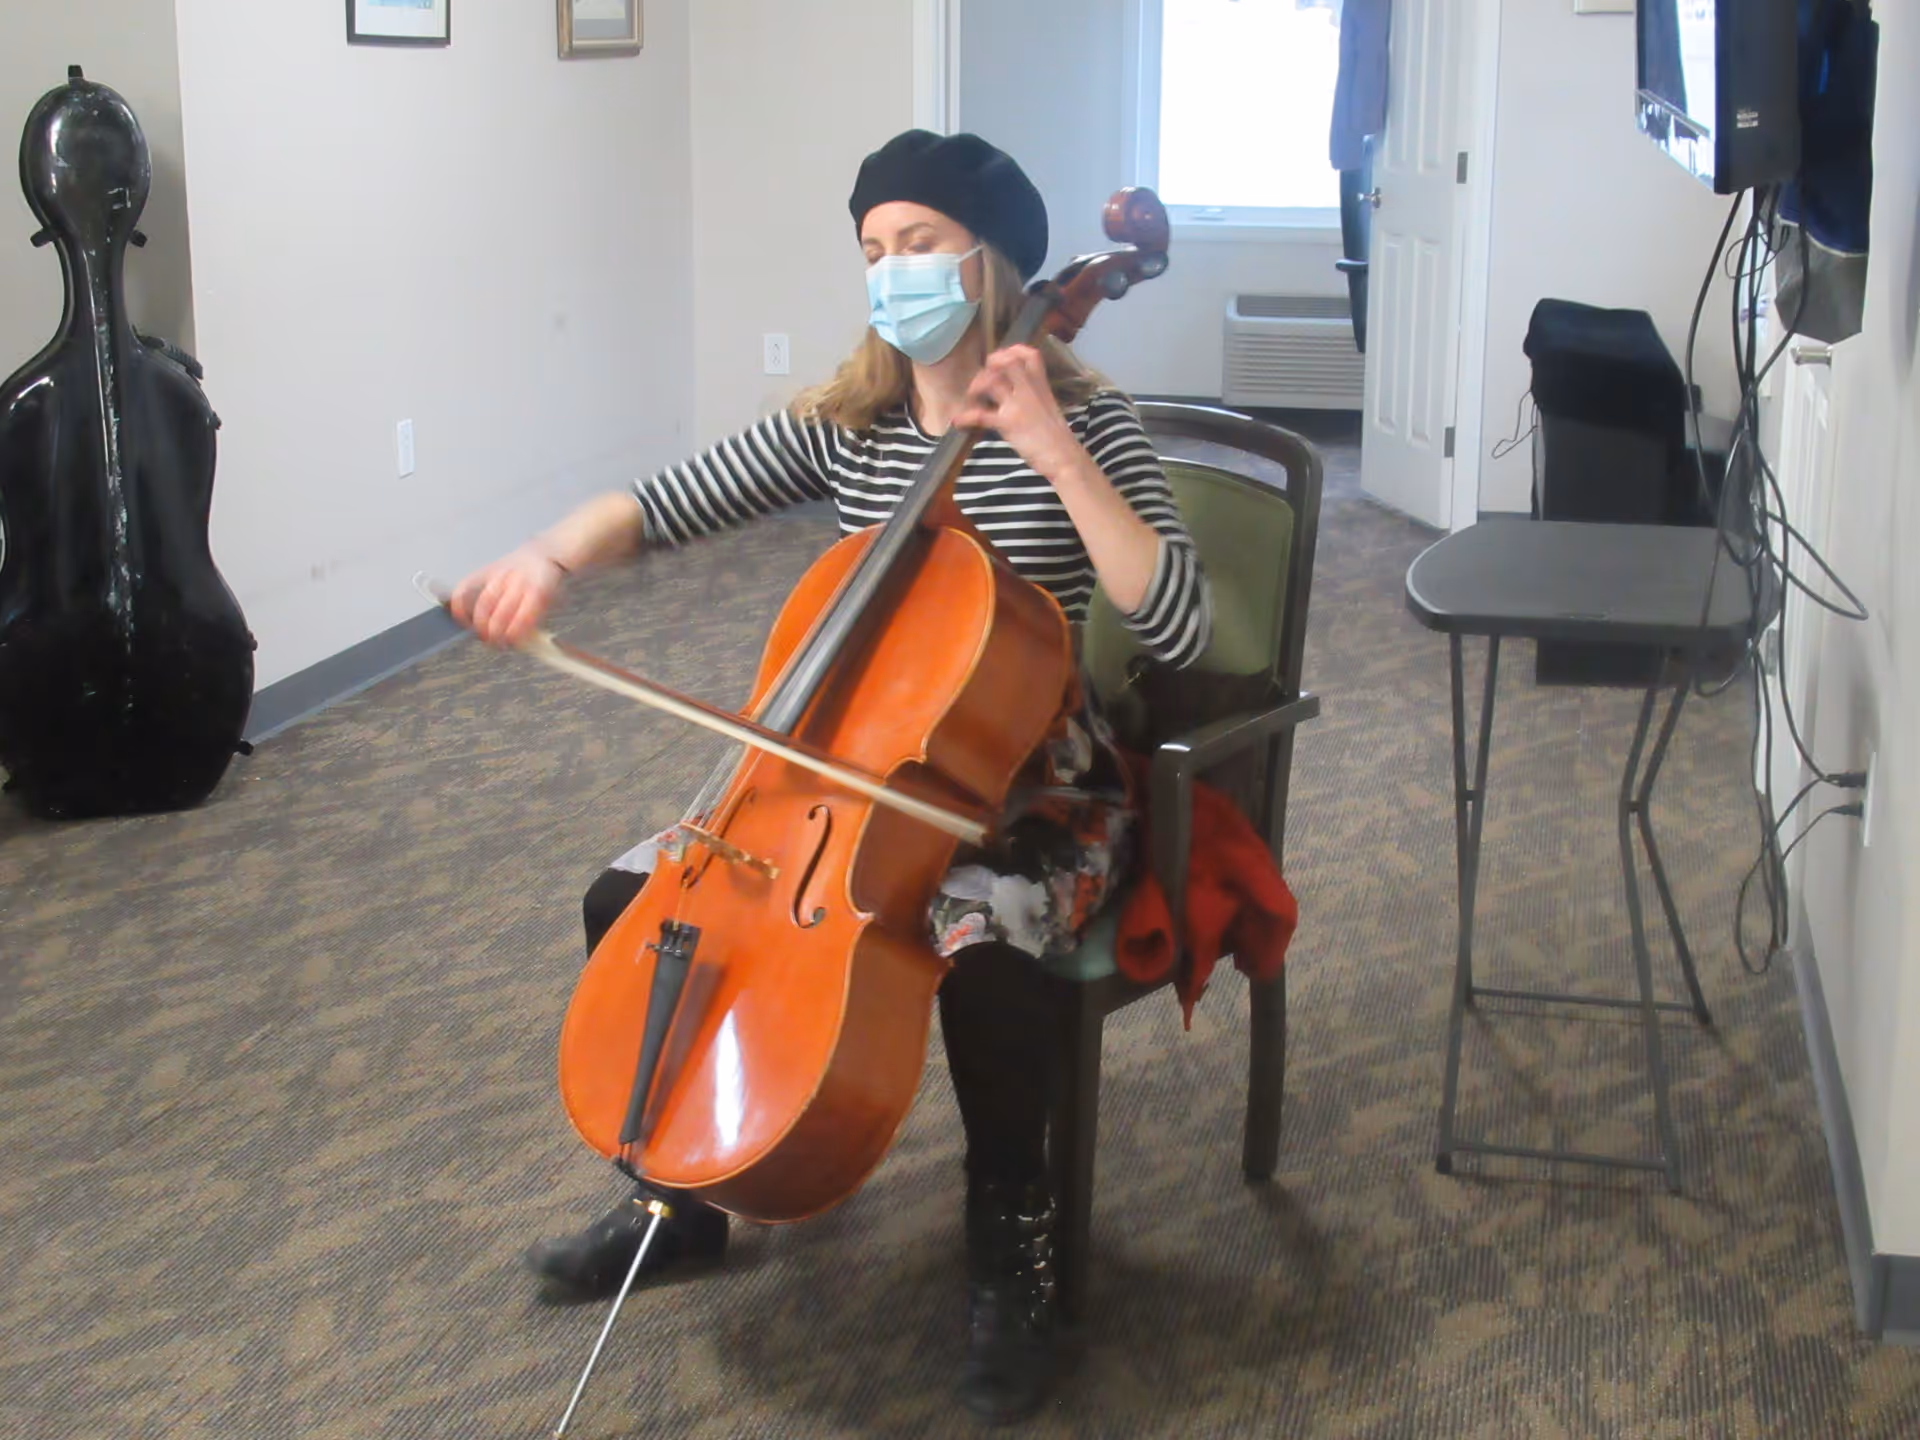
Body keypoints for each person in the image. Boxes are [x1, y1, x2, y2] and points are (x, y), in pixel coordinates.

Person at [450, 129, 1212, 1424]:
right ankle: (676, 1196)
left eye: (918, 245)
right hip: (856, 765)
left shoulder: (1088, 421)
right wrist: (547, 560)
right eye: (871, 251)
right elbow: (663, 501)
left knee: (988, 951)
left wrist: (1054, 451)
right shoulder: (853, 427)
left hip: (1033, 782)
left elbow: (1180, 619)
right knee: (633, 901)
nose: (890, 274)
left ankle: (1008, 1249)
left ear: (993, 263)